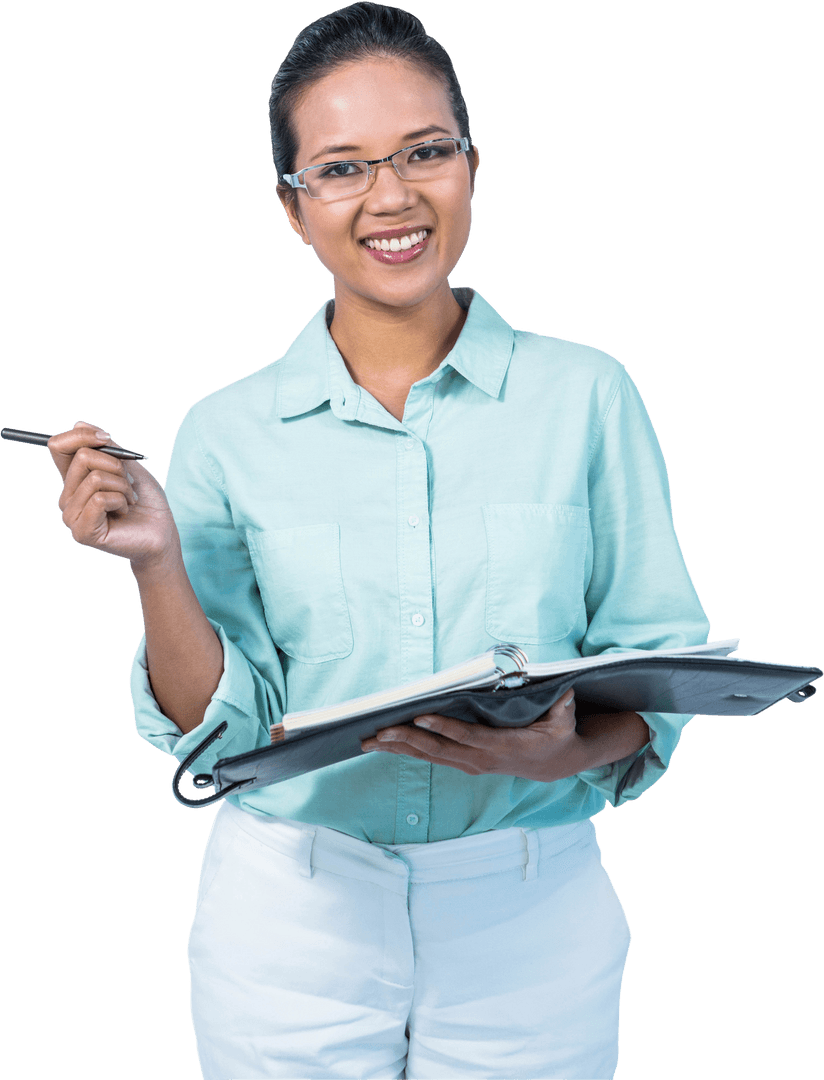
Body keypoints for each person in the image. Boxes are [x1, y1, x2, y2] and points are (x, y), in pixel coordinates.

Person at [47, 3, 709, 1077]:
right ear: (292, 207)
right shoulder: (224, 430)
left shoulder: (587, 395)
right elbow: (217, 731)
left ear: (470, 166)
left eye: (423, 153)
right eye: (342, 168)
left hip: (531, 911)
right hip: (288, 914)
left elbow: (653, 676)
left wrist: (565, 748)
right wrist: (158, 564)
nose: (391, 197)